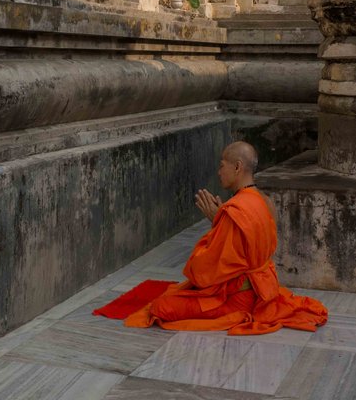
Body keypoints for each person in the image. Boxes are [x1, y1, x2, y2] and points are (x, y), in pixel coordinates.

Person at [125, 141, 327, 334]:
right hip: (263, 290)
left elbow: (205, 272)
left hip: (237, 298)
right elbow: (246, 249)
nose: (219, 172)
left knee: (162, 307)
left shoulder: (235, 211)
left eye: (222, 166)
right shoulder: (264, 201)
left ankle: (236, 311)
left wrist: (219, 224)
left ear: (238, 167)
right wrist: (221, 223)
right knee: (174, 293)